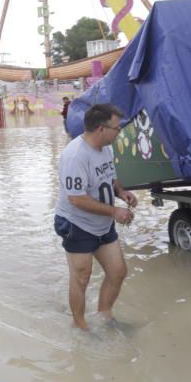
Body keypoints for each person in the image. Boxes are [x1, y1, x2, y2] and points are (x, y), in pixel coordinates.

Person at [53, 103, 137, 330]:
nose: (119, 133)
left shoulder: (106, 149)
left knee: (118, 272)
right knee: (82, 276)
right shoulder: (75, 156)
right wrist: (114, 212)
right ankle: (80, 326)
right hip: (75, 223)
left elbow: (110, 176)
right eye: (117, 129)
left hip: (102, 222)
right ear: (101, 128)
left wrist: (121, 193)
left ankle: (105, 315)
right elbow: (77, 199)